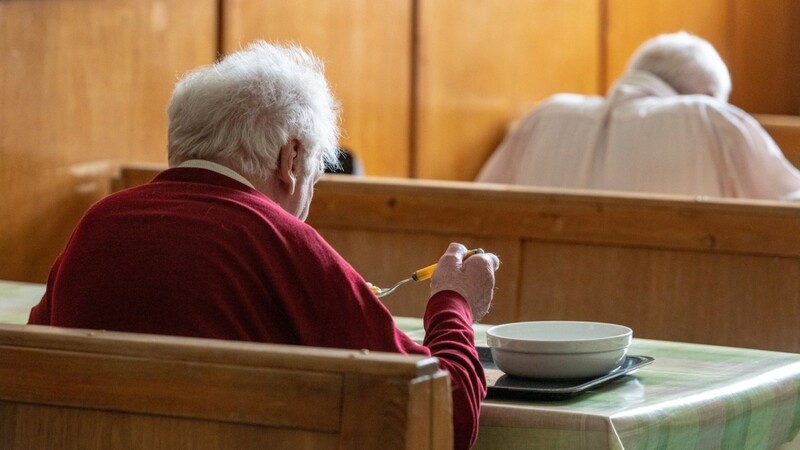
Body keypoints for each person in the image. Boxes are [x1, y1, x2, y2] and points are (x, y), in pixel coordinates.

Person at [28, 41, 500, 450]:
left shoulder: (97, 224)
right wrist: (453, 302)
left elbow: (34, 371)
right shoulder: (282, 242)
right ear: (291, 158)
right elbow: (445, 415)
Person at [476, 32, 800, 200]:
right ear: (707, 91)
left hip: (535, 318)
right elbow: (788, 207)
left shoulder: (545, 116)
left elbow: (477, 204)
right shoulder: (709, 118)